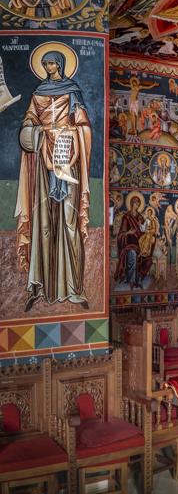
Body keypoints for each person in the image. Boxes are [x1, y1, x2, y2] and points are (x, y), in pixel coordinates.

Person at [17, 48, 91, 310]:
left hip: (66, 158)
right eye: (45, 63)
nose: (49, 67)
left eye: (52, 63)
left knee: (69, 223)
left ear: (60, 64)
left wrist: (71, 133)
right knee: (43, 222)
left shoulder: (72, 91)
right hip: (43, 161)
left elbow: (83, 125)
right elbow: (29, 119)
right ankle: (39, 287)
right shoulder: (38, 92)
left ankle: (72, 289)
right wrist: (33, 129)